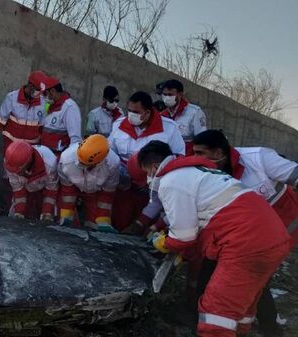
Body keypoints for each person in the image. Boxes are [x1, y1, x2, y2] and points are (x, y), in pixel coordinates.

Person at [139, 140, 290, 337]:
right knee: (242, 304)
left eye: (146, 172)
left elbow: (184, 236)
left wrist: (163, 242)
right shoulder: (198, 173)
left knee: (216, 313)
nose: (147, 178)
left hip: (246, 242)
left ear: (155, 167)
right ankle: (240, 331)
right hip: (272, 237)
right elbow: (202, 221)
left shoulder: (171, 181)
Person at [193, 129, 298, 336]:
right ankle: (234, 319)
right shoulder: (209, 172)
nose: (195, 158)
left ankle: (270, 327)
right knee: (223, 270)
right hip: (244, 232)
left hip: (283, 223)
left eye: (200, 153)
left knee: (258, 277)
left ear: (217, 152)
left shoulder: (258, 157)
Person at [108, 91, 185, 231]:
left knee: (144, 225)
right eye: (129, 110)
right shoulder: (119, 125)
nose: (131, 115)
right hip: (123, 185)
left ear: (148, 112)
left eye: (136, 112)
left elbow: (178, 158)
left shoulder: (169, 128)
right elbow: (109, 153)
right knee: (119, 222)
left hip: (151, 187)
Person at [57, 135, 120, 232]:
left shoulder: (113, 163)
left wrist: (103, 219)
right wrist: (67, 214)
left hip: (96, 193)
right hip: (73, 188)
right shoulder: (66, 159)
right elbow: (67, 190)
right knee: (67, 226)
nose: (80, 164)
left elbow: (107, 194)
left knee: (96, 226)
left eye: (85, 164)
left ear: (99, 162)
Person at [0, 71, 47, 152]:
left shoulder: (42, 103)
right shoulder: (12, 98)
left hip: (31, 149)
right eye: (38, 91)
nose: (39, 94)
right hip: (11, 146)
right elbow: (0, 120)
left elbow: (43, 127)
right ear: (31, 86)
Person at [3, 140, 58, 221]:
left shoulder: (50, 163)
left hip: (44, 190)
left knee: (49, 218)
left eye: (18, 170)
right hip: (25, 189)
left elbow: (51, 189)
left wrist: (47, 211)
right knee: (15, 216)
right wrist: (19, 212)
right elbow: (18, 190)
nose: (15, 173)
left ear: (28, 162)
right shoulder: (10, 163)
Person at [160, 79, 207, 155]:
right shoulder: (162, 115)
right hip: (167, 158)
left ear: (180, 94)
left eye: (170, 95)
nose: (167, 98)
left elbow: (202, 138)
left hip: (187, 159)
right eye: (164, 95)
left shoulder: (194, 112)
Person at [40, 76, 82, 155]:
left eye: (45, 94)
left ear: (52, 91)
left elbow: (75, 140)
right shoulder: (52, 106)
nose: (44, 97)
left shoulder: (69, 107)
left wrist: (67, 160)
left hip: (59, 158)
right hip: (47, 156)